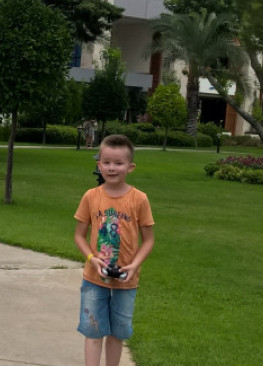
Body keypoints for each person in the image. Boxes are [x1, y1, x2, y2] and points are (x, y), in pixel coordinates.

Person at [73, 134, 155, 366]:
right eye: (106, 162)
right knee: (93, 330)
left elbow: (149, 240)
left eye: (118, 163)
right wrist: (92, 258)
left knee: (118, 333)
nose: (111, 168)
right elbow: (79, 236)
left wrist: (134, 266)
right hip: (94, 277)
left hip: (126, 280)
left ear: (130, 167)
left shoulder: (139, 199)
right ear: (98, 165)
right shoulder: (91, 197)